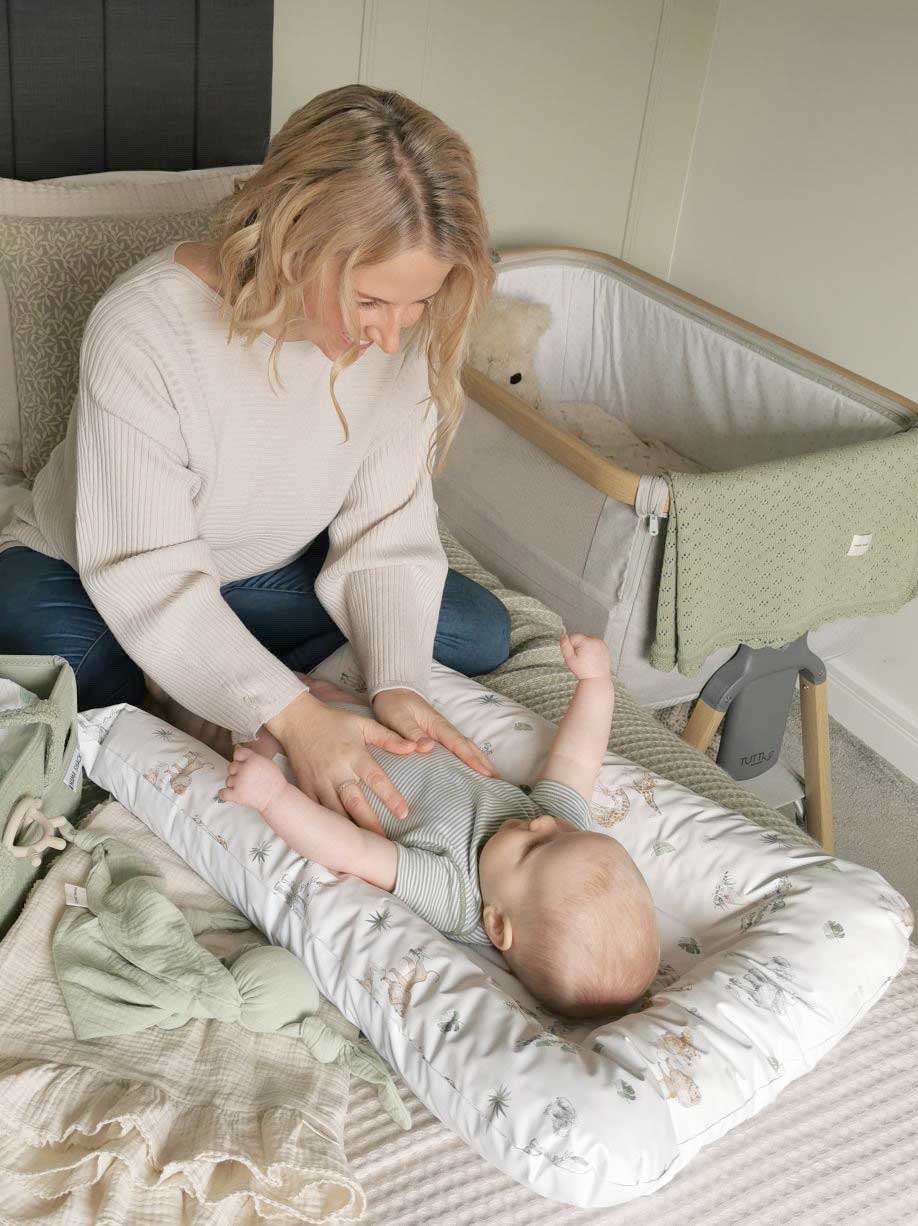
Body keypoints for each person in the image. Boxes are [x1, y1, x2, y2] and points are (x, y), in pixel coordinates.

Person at [0, 85, 513, 834]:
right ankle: (210, 680)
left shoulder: (399, 338)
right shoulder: (144, 327)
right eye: (371, 301)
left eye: (418, 304)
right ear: (295, 239)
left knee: (476, 630)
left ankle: (211, 672)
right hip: (86, 569)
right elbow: (145, 572)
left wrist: (397, 683)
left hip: (252, 574)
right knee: (68, 669)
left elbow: (388, 533)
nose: (392, 337)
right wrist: (296, 719)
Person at [220, 633, 661, 1019]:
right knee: (276, 674)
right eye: (565, 832)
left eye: (534, 848)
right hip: (354, 722)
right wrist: (596, 683)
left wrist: (274, 797)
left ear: (496, 924)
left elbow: (352, 849)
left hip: (294, 762)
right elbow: (577, 759)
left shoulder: (454, 892)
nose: (543, 822)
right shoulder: (556, 839)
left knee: (219, 715)